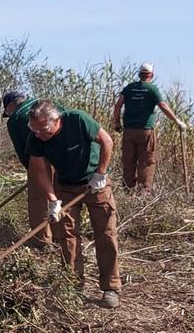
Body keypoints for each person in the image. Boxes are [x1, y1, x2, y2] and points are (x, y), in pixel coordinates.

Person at [26, 100, 122, 308]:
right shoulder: (35, 138)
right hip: (66, 187)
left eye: (43, 129)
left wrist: (101, 174)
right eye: (34, 129)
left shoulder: (78, 120)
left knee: (105, 233)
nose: (38, 134)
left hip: (96, 183)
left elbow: (107, 141)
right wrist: (52, 199)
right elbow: (40, 172)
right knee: (66, 236)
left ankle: (110, 288)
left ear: (56, 121)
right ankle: (72, 287)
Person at [112, 62, 187, 194]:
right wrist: (177, 121)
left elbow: (118, 106)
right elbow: (163, 106)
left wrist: (117, 123)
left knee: (129, 161)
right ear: (151, 75)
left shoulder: (129, 88)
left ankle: (128, 192)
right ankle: (143, 194)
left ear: (139, 74)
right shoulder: (152, 89)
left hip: (129, 131)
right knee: (146, 162)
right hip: (146, 131)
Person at [2, 91, 55, 245]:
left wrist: (33, 176)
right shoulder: (44, 102)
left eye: (7, 112)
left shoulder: (14, 120)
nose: (9, 114)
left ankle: (42, 241)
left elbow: (23, 152)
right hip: (64, 152)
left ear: (11, 105)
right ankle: (61, 235)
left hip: (39, 156)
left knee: (38, 198)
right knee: (61, 192)